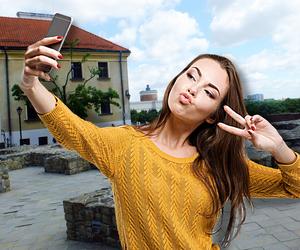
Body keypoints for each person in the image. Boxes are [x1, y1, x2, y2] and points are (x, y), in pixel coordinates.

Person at [21, 36, 299, 250]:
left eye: (209, 92)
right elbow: (73, 131)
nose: (192, 88)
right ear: (177, 78)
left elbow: (294, 188)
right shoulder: (125, 145)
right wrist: (31, 84)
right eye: (191, 75)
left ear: (214, 115)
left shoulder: (219, 164)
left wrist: (280, 149)